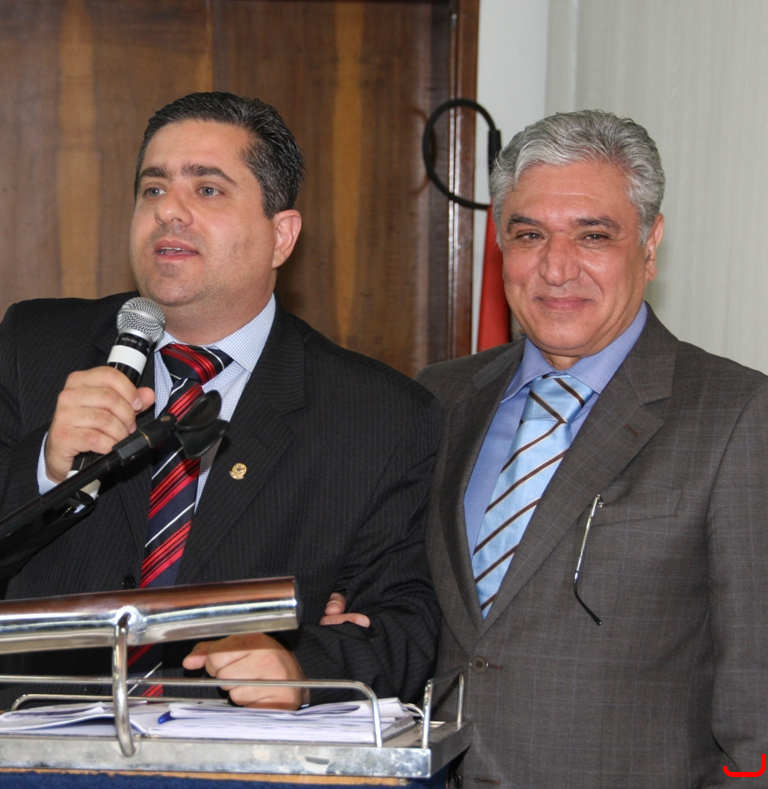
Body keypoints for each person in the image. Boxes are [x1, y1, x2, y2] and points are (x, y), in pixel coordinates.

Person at [0, 92, 440, 710]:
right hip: (37, 742)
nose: (168, 211)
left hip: (236, 752)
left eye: (207, 190)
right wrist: (46, 466)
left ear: (281, 237)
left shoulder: (381, 416)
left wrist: (301, 665)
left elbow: (409, 625)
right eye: (153, 189)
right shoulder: (35, 347)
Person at [416, 110, 768, 786]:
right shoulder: (440, 396)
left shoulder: (737, 413)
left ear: (650, 244)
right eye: (529, 235)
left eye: (593, 235)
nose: (556, 268)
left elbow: (758, 683)